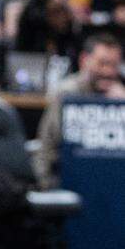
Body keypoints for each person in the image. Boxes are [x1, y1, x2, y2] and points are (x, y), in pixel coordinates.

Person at [33, 33, 125, 189]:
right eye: (102, 63)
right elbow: (46, 147)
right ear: (84, 61)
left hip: (116, 183)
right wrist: (44, 188)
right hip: (71, 180)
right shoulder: (67, 93)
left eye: (114, 65)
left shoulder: (121, 95)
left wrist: (121, 108)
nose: (108, 72)